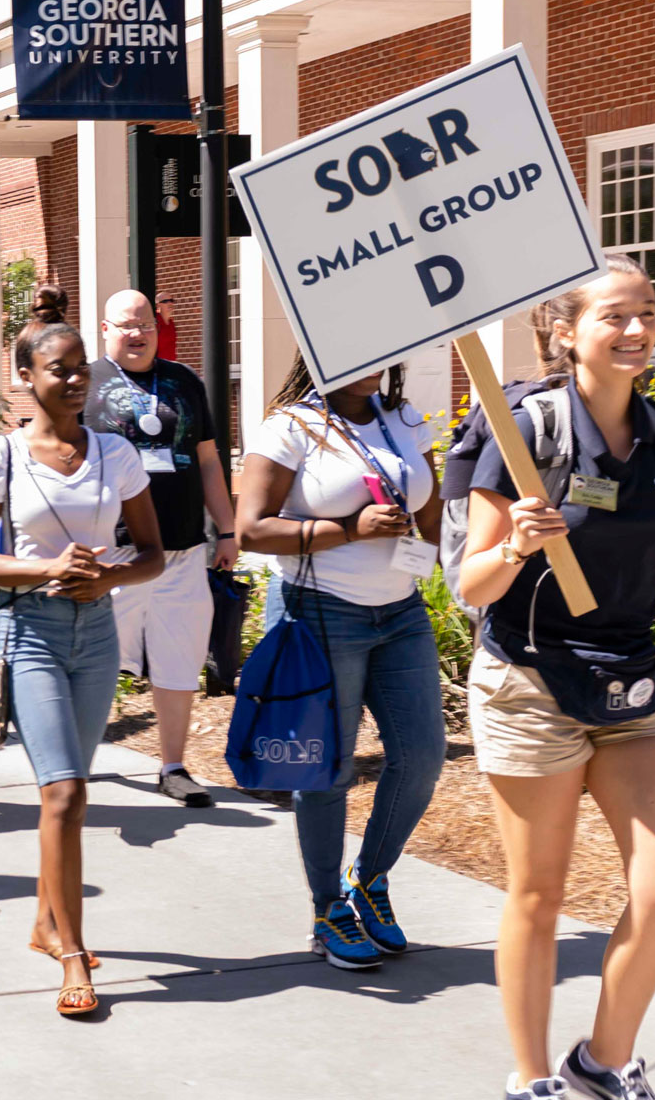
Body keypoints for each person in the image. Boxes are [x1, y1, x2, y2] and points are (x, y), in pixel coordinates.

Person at [451, 255, 655, 1100]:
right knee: (540, 892)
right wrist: (518, 543)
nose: (637, 330)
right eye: (615, 316)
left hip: (627, 688)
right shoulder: (527, 429)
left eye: (646, 312)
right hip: (529, 683)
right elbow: (469, 584)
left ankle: (602, 1061)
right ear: (566, 333)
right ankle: (530, 1080)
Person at [0, 320, 164, 1018]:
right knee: (65, 794)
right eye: (59, 368)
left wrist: (107, 581)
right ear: (26, 375)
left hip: (97, 634)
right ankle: (74, 955)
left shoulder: (116, 453)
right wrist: (48, 567)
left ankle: (47, 922)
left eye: (83, 367)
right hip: (31, 629)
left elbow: (151, 553)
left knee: (70, 793)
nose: (76, 378)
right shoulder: (0, 456)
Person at [237, 353, 442, 971]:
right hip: (322, 612)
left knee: (424, 756)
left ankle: (369, 879)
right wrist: (350, 530)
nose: (371, 359)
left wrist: (427, 545)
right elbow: (251, 529)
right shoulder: (291, 426)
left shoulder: (403, 419)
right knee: (328, 767)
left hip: (400, 613)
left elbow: (430, 512)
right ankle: (328, 911)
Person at [86, 289, 237, 808]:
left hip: (183, 548)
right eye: (125, 325)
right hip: (115, 553)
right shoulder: (85, 383)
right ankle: (75, 759)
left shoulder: (183, 382)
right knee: (99, 658)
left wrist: (229, 529)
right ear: (104, 328)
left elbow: (209, 460)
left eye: (144, 323)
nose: (136, 333)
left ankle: (173, 766)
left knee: (180, 658)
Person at [153, 292, 180, 363]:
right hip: (158, 367)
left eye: (171, 301)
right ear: (158, 305)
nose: (170, 304)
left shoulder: (172, 324)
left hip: (171, 367)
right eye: (165, 301)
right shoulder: (155, 323)